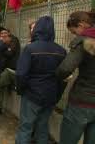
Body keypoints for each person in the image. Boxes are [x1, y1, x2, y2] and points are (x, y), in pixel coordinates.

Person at [15, 16, 66, 144]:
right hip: (50, 95)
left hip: (32, 95)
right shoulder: (61, 51)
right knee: (42, 128)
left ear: (37, 29)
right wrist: (56, 96)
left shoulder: (30, 49)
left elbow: (21, 74)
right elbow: (63, 76)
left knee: (25, 127)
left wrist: (21, 90)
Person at [56, 11, 95, 144]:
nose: (75, 35)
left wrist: (58, 76)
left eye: (74, 32)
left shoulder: (84, 40)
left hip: (82, 102)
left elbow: (65, 68)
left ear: (81, 25)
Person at [0, 27, 20, 114]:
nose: (3, 34)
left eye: (5, 33)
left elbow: (9, 53)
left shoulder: (14, 40)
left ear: (9, 33)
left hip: (11, 69)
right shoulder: (1, 41)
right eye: (2, 33)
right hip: (3, 68)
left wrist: (2, 46)